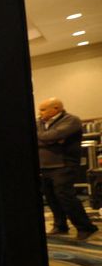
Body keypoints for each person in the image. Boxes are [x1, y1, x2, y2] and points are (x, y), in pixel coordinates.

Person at [36, 97, 99, 240]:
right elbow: (44, 137)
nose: (40, 112)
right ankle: (60, 225)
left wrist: (47, 139)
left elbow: (53, 135)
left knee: (65, 196)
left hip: (64, 165)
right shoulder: (39, 122)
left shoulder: (71, 120)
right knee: (51, 197)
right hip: (44, 166)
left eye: (43, 109)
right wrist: (50, 140)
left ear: (56, 109)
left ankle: (86, 227)